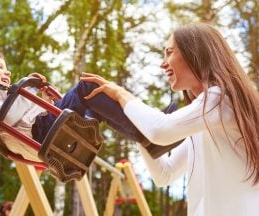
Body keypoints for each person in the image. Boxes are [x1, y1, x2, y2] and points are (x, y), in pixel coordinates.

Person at [80, 22, 259, 215]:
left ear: (195, 53)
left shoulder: (221, 99)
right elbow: (165, 173)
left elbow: (161, 131)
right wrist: (137, 128)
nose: (163, 63)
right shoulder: (205, 122)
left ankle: (46, 124)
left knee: (85, 92)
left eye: (169, 52)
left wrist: (122, 94)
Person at [0, 50, 177, 162]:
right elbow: (7, 117)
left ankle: (147, 133)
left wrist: (43, 101)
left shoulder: (2, 96)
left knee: (95, 102)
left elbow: (19, 116)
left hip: (43, 133)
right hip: (43, 133)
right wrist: (29, 90)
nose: (7, 72)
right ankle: (147, 133)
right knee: (87, 87)